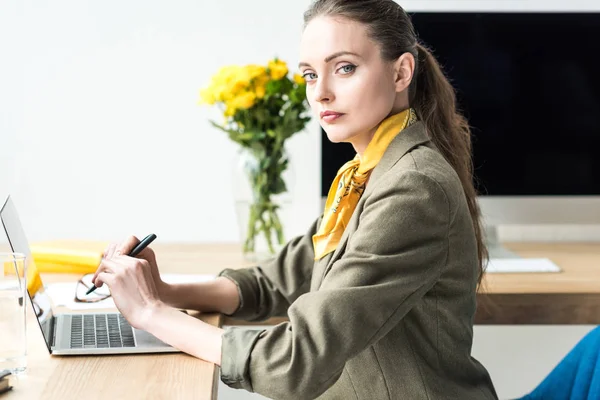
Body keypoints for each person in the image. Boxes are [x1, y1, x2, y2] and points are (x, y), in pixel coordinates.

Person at [91, 0, 498, 398]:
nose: (320, 93)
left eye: (344, 68)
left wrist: (150, 313)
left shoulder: (413, 188)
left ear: (401, 72)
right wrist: (162, 290)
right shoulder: (366, 175)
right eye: (308, 75)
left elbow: (296, 362)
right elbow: (276, 282)